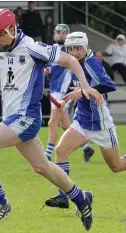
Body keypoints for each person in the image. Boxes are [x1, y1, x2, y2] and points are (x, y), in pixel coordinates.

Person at [0, 9, 103, 230]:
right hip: (12, 116)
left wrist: (86, 86)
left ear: (12, 29)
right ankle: (81, 198)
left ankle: (0, 203)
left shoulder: (33, 47)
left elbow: (70, 60)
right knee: (42, 166)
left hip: (26, 117)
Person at [43, 32, 126, 209]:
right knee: (61, 151)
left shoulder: (92, 63)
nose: (74, 52)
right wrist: (64, 101)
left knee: (116, 165)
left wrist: (82, 91)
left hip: (100, 123)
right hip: (82, 121)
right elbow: (73, 85)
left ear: (86, 47)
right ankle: (63, 197)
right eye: (71, 49)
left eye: (78, 48)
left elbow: (108, 85)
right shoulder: (73, 62)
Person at [44, 24, 96, 162]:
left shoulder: (70, 50)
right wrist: (46, 71)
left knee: (52, 123)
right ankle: (87, 149)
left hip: (65, 91)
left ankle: (47, 155)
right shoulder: (51, 49)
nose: (60, 34)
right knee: (65, 124)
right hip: (55, 89)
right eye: (58, 32)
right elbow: (50, 70)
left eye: (63, 32)